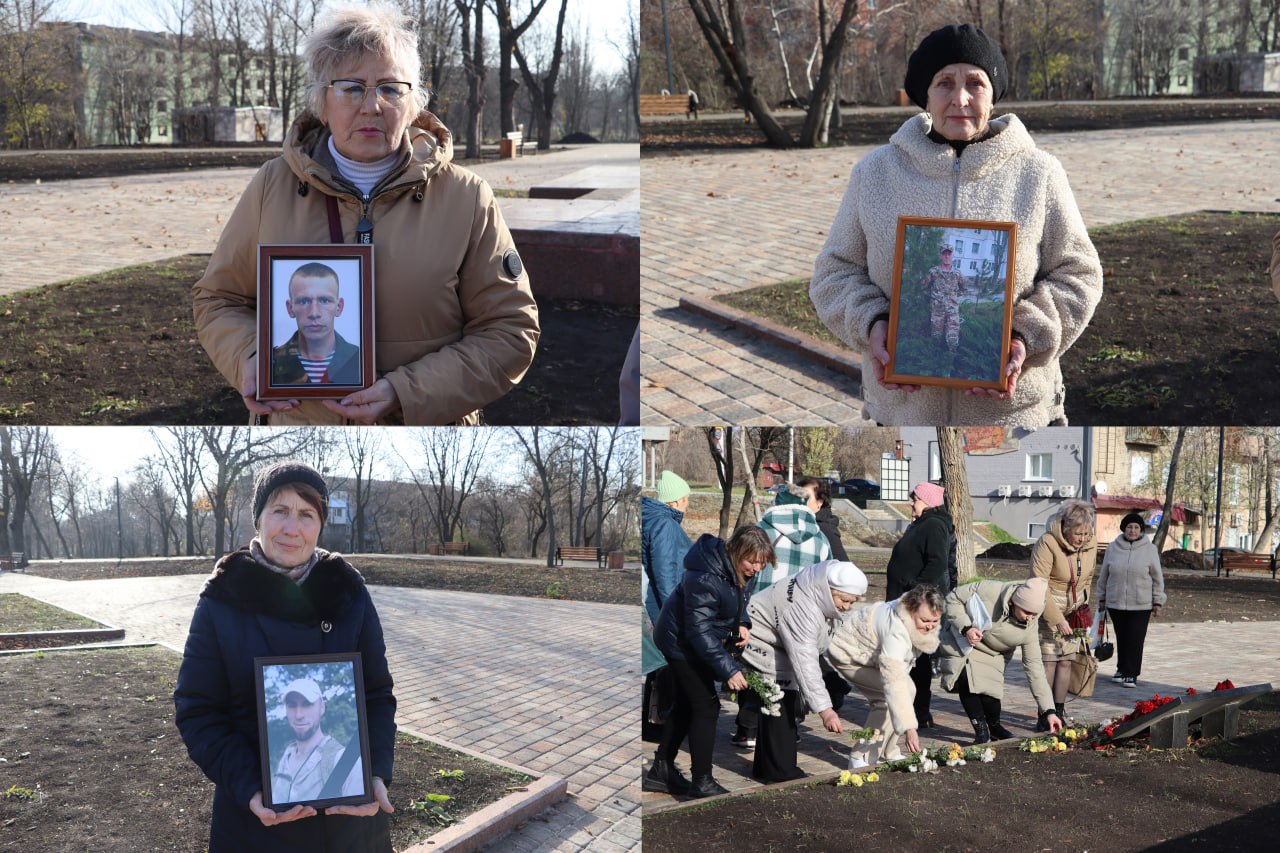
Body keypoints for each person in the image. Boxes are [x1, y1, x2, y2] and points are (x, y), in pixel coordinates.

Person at [193, 3, 539, 425]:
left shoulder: (467, 198)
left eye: (391, 88)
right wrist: (248, 358)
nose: (372, 106)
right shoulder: (272, 186)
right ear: (322, 102)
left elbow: (510, 330)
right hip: (299, 423)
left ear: (413, 104)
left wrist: (404, 392)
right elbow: (219, 299)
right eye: (352, 88)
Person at [810, 22, 1103, 425]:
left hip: (1014, 417)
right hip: (905, 415)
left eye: (975, 84)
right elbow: (834, 272)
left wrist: (1022, 337)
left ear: (993, 94)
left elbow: (1079, 274)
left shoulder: (1039, 174)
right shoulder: (875, 173)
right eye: (944, 83)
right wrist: (872, 323)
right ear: (925, 96)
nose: (960, 98)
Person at [174, 461, 395, 851]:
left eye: (306, 515)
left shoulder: (349, 592)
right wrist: (251, 787)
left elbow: (376, 695)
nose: (292, 528)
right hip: (256, 826)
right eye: (280, 511)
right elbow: (199, 711)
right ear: (258, 518)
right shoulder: (221, 599)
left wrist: (373, 773)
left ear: (320, 525)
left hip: (348, 828)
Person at [645, 526, 775, 798]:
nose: (756, 568)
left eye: (762, 563)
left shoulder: (736, 570)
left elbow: (737, 602)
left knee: (685, 705)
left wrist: (742, 623)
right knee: (706, 706)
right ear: (737, 551)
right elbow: (698, 630)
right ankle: (701, 780)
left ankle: (661, 769)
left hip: (697, 642)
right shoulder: (704, 577)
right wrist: (727, 669)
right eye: (752, 561)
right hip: (680, 643)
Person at [739, 560, 868, 783]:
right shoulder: (803, 608)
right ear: (830, 591)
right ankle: (780, 773)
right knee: (778, 699)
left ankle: (766, 768)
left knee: (780, 700)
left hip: (776, 642)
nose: (847, 607)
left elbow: (828, 639)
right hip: (759, 640)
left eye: (852, 602)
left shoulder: (817, 591)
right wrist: (825, 710)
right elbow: (805, 660)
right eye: (844, 600)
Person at [734, 482, 832, 747]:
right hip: (799, 614)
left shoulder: (761, 531)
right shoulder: (820, 538)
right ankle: (788, 727)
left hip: (761, 611)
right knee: (790, 670)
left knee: (757, 667)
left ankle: (748, 729)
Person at [827, 585, 945, 767]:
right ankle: (860, 755)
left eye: (935, 621)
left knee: (909, 690)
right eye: (925, 620)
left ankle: (888, 751)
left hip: (873, 654)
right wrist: (910, 728)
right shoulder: (896, 631)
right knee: (884, 699)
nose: (930, 626)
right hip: (848, 653)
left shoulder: (915, 614)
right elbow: (894, 683)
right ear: (912, 610)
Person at [937, 576, 1063, 743]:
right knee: (966, 680)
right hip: (964, 639)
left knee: (990, 695)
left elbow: (1035, 669)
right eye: (1026, 612)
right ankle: (981, 731)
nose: (1030, 618)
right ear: (1013, 602)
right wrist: (966, 627)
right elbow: (953, 598)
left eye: (1034, 614)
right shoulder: (990, 590)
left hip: (995, 653)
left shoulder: (1030, 628)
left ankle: (995, 727)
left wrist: (1049, 711)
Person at [885, 482, 954, 728]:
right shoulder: (923, 524)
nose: (911, 503)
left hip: (916, 605)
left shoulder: (934, 526)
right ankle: (906, 707)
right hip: (907, 601)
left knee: (918, 660)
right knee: (906, 656)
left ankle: (919, 711)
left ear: (927, 501)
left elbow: (936, 564)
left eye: (915, 499)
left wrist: (914, 592)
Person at [1029, 499, 1097, 726]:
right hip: (1048, 605)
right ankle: (1044, 713)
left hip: (1074, 610)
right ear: (1066, 528)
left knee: (1067, 660)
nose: (1083, 539)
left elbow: (1087, 579)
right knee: (1049, 661)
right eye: (1078, 534)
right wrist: (1056, 619)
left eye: (1086, 534)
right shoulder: (1048, 543)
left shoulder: (1090, 544)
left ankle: (1059, 709)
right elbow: (1039, 583)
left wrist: (1083, 608)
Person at [641, 470, 694, 743]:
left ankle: (654, 724)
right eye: (686, 501)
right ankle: (658, 725)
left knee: (660, 668)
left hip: (658, 604)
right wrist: (673, 611)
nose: (687, 506)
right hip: (663, 606)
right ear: (674, 501)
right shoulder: (665, 524)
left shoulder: (656, 519)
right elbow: (665, 573)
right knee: (666, 668)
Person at [1096, 512, 1166, 689]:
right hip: (1116, 601)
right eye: (1129, 527)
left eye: (1136, 527)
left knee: (1135, 638)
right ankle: (1121, 669)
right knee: (1122, 637)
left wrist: (1158, 601)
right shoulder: (1113, 547)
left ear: (1141, 530)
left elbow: (1157, 578)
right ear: (1124, 529)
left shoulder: (1150, 549)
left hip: (1141, 603)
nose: (1132, 530)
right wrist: (1102, 596)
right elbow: (1104, 573)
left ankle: (1131, 673)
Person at [271, 678, 364, 802]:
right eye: (292, 705)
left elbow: (355, 815)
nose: (299, 715)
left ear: (322, 707)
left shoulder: (343, 760)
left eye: (307, 704)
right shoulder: (286, 756)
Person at [271, 263, 361, 386]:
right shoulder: (271, 361)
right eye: (303, 301)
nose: (314, 313)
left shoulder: (361, 360)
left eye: (324, 300)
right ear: (290, 308)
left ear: (339, 307)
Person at [923, 245, 972, 352]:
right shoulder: (933, 272)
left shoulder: (957, 273)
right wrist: (934, 297)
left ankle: (950, 359)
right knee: (935, 337)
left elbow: (965, 288)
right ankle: (934, 359)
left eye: (949, 254)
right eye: (944, 254)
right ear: (940, 256)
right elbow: (923, 287)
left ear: (952, 256)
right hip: (937, 311)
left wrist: (954, 297)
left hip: (952, 312)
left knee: (953, 339)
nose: (946, 256)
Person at [799, 476, 850, 562]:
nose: (800, 501)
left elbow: (843, 565)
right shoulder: (795, 522)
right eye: (798, 496)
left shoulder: (825, 529)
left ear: (819, 502)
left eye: (806, 497)